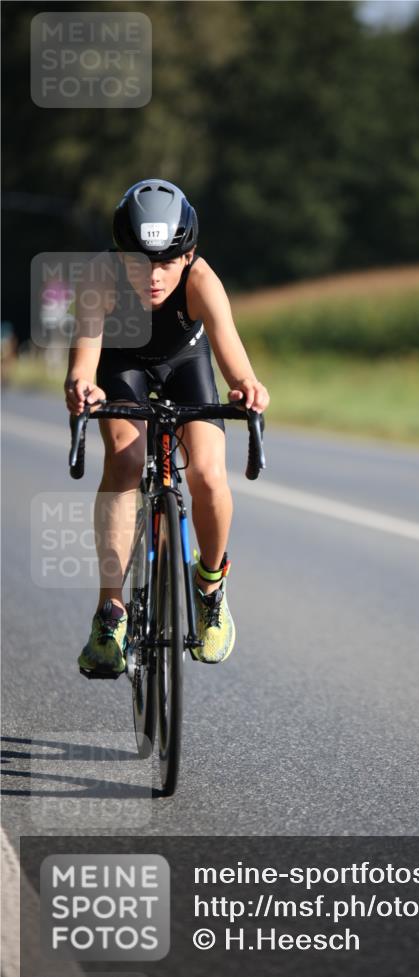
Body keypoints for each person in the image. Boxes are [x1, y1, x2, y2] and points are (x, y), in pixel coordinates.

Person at [64, 179, 269, 677]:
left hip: (185, 363)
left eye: (166, 262)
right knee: (128, 459)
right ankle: (110, 614)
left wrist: (247, 386)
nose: (153, 276)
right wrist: (83, 388)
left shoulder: (201, 281)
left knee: (207, 474)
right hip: (122, 363)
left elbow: (233, 358)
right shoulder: (99, 278)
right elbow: (83, 363)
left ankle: (209, 588)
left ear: (189, 254)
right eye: (139, 261)